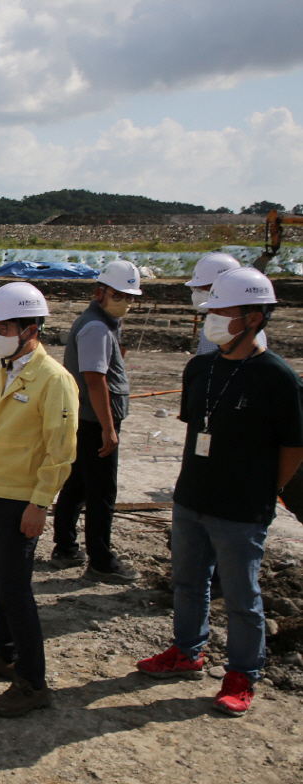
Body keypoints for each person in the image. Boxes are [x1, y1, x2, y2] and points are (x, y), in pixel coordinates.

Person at [136, 268, 303, 717]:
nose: (211, 319)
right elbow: (196, 430)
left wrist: (269, 491)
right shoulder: (201, 368)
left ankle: (242, 674)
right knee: (188, 583)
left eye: (222, 312)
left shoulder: (278, 378)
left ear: (253, 317)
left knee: (241, 595)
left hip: (241, 509)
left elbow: (293, 447)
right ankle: (186, 651)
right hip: (192, 498)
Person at [0, 282, 79, 717]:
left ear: (31, 329)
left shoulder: (54, 380)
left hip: (20, 502)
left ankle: (32, 682)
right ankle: (4, 652)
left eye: (5, 325)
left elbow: (61, 448)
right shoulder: (4, 370)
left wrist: (41, 503)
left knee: (15, 590)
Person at [50, 260, 142, 583]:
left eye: (130, 297)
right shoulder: (95, 328)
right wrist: (108, 428)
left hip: (89, 420)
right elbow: (94, 380)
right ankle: (101, 561)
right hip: (94, 422)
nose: (125, 302)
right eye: (119, 295)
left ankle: (65, 548)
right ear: (99, 293)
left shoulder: (104, 324)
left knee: (77, 486)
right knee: (102, 492)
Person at [186, 252, 267, 355]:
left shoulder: (234, 329)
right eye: (196, 288)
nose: (198, 293)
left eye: (204, 288)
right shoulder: (214, 325)